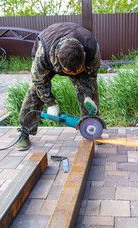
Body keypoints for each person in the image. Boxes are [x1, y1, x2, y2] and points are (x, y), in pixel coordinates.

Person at [15, 22, 101, 151]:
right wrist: (50, 104)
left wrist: (88, 95)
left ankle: (92, 129)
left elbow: (90, 78)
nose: (72, 75)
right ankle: (24, 132)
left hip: (76, 58)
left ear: (84, 55)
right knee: (34, 92)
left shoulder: (93, 50)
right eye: (68, 72)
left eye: (75, 71)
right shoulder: (43, 54)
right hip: (49, 54)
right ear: (57, 58)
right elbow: (39, 81)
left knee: (91, 96)